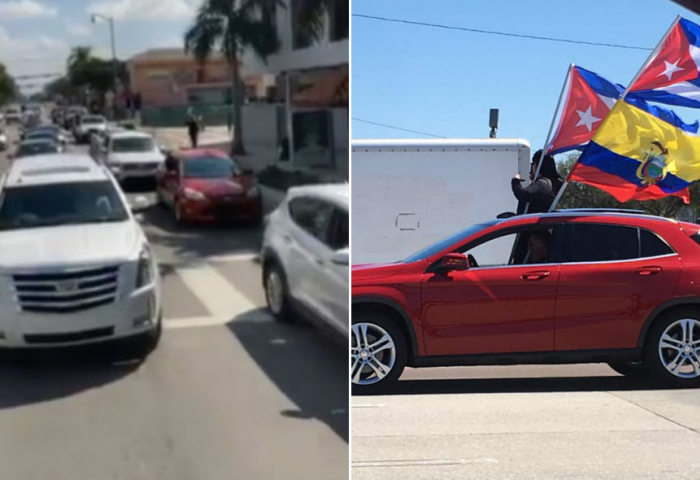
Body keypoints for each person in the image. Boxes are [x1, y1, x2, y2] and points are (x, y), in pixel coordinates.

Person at [511, 150, 564, 214]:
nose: (531, 167)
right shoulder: (550, 183)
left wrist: (515, 181)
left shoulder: (543, 183)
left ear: (538, 166)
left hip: (531, 222)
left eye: (533, 164)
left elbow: (523, 195)